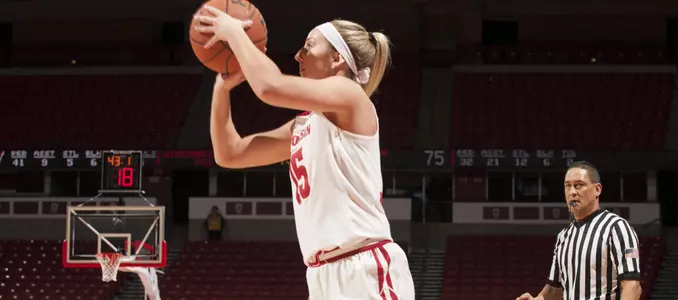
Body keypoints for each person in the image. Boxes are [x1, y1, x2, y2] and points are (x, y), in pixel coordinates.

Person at [197, 7, 415, 300]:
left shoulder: (350, 95)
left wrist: (235, 33)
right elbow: (230, 153)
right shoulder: (304, 124)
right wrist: (221, 89)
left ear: (337, 58)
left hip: (362, 265)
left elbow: (270, 87)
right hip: (321, 273)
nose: (298, 56)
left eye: (308, 47)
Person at [516, 161, 642, 300]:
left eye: (578, 185)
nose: (572, 192)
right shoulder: (564, 236)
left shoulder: (616, 228)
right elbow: (555, 290)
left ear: (597, 189)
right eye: (567, 186)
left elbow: (632, 287)